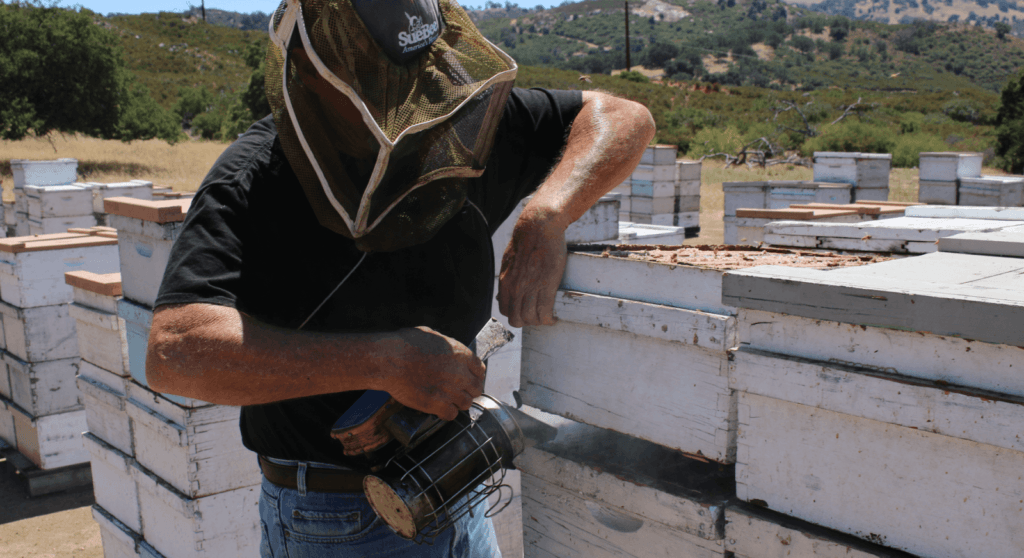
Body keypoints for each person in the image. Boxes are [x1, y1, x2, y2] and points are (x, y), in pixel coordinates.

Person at [144, 0, 654, 556]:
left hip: (459, 486)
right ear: (311, 74)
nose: (410, 97)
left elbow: (625, 116)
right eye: (381, 80)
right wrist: (383, 361)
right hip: (338, 518)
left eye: (419, 71)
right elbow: (175, 352)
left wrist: (548, 212)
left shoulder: (463, 126)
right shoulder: (254, 178)